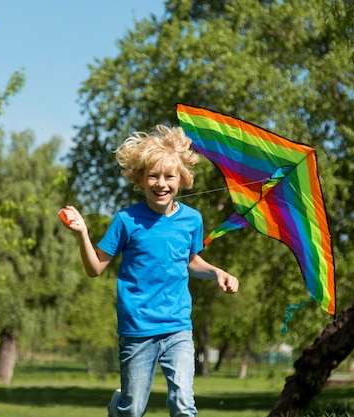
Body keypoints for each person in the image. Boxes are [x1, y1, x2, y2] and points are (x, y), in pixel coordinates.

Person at [60, 124, 239, 417]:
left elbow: (191, 261)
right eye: (152, 176)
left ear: (182, 178)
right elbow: (94, 269)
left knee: (183, 402)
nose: (161, 183)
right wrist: (82, 234)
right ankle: (119, 408)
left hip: (178, 326)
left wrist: (217, 273)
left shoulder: (192, 220)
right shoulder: (126, 220)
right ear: (140, 179)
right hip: (138, 329)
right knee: (132, 411)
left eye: (169, 176)